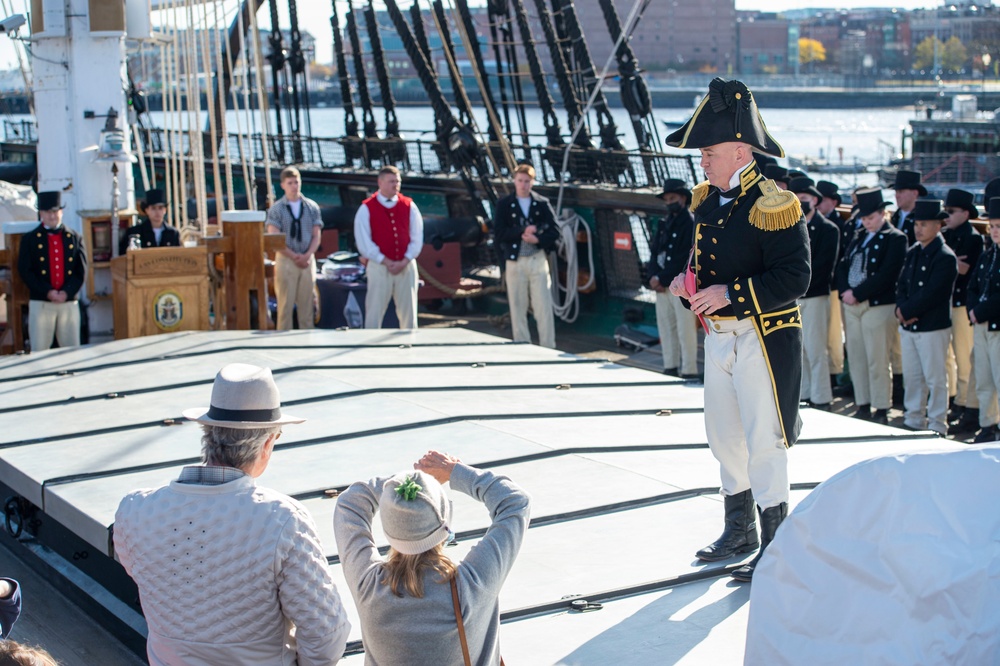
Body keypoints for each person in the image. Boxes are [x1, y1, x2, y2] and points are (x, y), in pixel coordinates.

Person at [665, 78, 810, 582]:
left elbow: (796, 277)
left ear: (739, 151)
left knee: (764, 440)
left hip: (762, 336)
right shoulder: (709, 200)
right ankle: (739, 529)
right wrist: (690, 283)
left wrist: (732, 293)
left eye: (708, 152)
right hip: (720, 336)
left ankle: (775, 542)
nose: (701, 161)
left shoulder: (774, 203)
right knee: (723, 437)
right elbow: (707, 261)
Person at [114, 363, 350, 665]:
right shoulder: (283, 520)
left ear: (207, 432)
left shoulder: (134, 511)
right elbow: (326, 635)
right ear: (267, 443)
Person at [333, 450, 530, 665]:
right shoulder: (473, 584)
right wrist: (452, 472)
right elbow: (516, 501)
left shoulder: (368, 586)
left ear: (389, 527)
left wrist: (401, 489)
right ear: (444, 523)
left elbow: (350, 503)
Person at [836, 188, 907, 425]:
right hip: (853, 303)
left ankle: (881, 406)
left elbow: (888, 274)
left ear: (882, 214)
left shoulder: (895, 238)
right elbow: (843, 264)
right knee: (856, 356)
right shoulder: (858, 236)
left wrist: (857, 293)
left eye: (871, 217)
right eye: (864, 218)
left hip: (877, 304)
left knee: (877, 358)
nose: (867, 222)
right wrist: (846, 290)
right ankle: (863, 403)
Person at [895, 199, 958, 435]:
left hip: (932, 326)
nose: (918, 228)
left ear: (938, 225)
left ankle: (937, 423)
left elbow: (934, 293)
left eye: (924, 224)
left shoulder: (945, 256)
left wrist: (907, 311)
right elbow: (901, 285)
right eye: (916, 224)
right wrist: (900, 309)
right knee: (912, 376)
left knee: (935, 377)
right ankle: (913, 419)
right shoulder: (913, 252)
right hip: (909, 325)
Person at [493, 163, 559, 348]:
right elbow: (499, 234)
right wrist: (521, 231)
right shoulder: (504, 205)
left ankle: (548, 346)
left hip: (537, 259)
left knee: (543, 307)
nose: (523, 185)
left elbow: (555, 231)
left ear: (532, 182)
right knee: (517, 306)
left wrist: (537, 239)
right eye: (520, 181)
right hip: (515, 261)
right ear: (514, 181)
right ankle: (521, 346)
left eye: (527, 181)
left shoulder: (541, 203)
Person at [789, 177, 840, 409]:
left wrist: (798, 284)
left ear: (815, 201)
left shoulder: (829, 229)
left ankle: (821, 397)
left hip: (816, 295)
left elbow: (823, 266)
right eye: (797, 198)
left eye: (805, 199)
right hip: (795, 297)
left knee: (817, 348)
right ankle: (805, 393)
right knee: (800, 348)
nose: (801, 202)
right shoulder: (791, 226)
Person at [354, 166, 424, 329]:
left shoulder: (409, 206)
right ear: (380, 182)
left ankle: (410, 343)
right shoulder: (366, 208)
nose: (396, 185)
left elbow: (417, 236)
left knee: (409, 311)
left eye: (398, 181)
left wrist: (405, 259)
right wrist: (384, 260)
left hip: (405, 265)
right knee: (374, 310)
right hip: (379, 266)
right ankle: (370, 346)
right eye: (391, 181)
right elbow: (364, 241)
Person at [17, 191, 86, 352]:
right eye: (48, 212)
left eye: (55, 211)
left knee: (72, 351)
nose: (52, 216)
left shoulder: (74, 238)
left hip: (68, 302)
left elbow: (81, 271)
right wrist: (47, 291)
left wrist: (66, 292)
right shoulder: (30, 239)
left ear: (61, 211)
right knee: (39, 350)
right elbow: (25, 271)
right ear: (41, 213)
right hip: (42, 302)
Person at [645, 178, 698, 378]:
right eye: (666, 199)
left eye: (672, 198)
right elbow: (654, 251)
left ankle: (689, 369)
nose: (669, 202)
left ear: (683, 198)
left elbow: (684, 257)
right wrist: (652, 276)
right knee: (666, 328)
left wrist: (661, 277)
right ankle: (670, 366)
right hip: (661, 286)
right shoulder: (665, 223)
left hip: (680, 286)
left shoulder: (690, 223)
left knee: (685, 330)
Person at [941, 188, 984, 433]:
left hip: (961, 303)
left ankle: (968, 405)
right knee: (948, 357)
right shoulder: (946, 234)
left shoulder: (974, 237)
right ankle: (956, 399)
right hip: (945, 302)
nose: (946, 216)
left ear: (966, 213)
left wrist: (949, 261)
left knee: (964, 356)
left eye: (951, 211)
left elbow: (967, 270)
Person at [266, 166, 324, 331]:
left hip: (307, 259)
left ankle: (307, 338)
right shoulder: (276, 209)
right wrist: (293, 256)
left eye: (296, 182)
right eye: (290, 183)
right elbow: (274, 238)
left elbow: (316, 235)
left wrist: (307, 255)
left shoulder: (311, 207)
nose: (294, 186)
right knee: (285, 304)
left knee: (307, 306)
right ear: (283, 185)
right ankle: (283, 341)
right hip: (286, 260)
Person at [966, 197, 1000, 443]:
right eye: (993, 227)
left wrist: (980, 310)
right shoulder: (988, 256)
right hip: (981, 325)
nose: (995, 231)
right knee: (984, 379)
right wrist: (972, 309)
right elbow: (973, 286)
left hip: (997, 326)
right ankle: (988, 424)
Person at [817, 180, 846, 389]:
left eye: (823, 199)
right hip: (827, 284)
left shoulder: (837, 225)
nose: (819, 203)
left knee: (834, 333)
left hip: (834, 285)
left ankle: (836, 371)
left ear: (834, 202)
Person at [118, 189, 180, 254]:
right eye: (153, 208)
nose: (157, 212)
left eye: (160, 208)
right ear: (147, 210)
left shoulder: (173, 233)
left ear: (165, 210)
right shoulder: (135, 232)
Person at [889, 169, 926, 246]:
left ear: (915, 193)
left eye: (901, 192)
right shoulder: (894, 217)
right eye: (896, 192)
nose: (896, 196)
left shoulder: (923, 218)